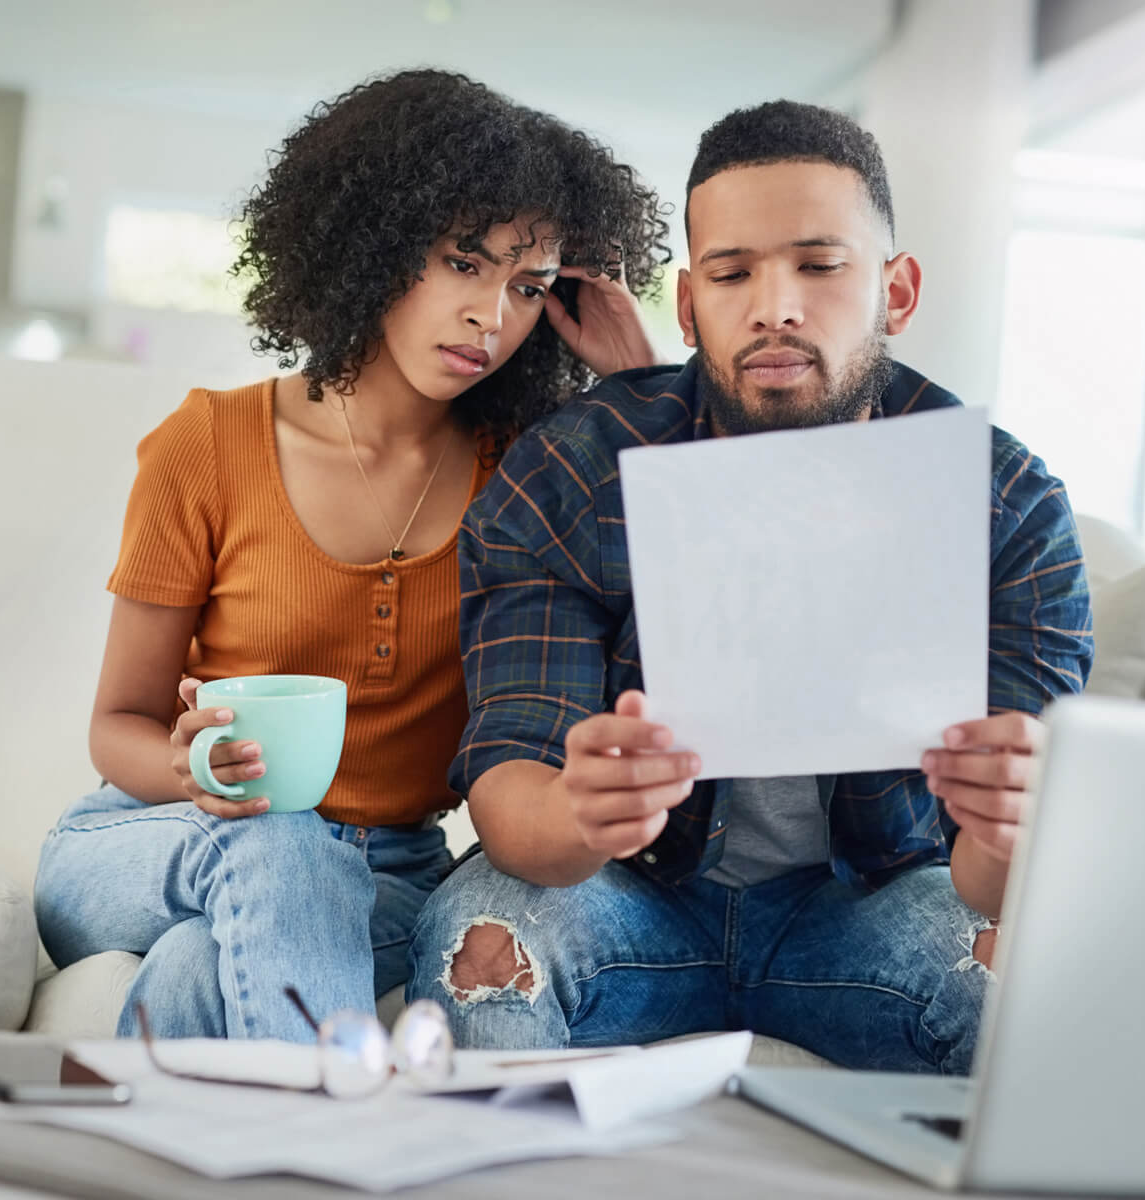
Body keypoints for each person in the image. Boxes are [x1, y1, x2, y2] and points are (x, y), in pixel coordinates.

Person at [404, 100, 1093, 1074]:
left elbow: (998, 885)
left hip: (873, 905)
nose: (776, 306)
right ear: (689, 307)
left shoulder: (1007, 503)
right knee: (479, 932)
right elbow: (514, 791)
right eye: (733, 274)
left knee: (1025, 976)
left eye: (820, 266)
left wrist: (1009, 820)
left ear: (896, 292)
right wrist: (582, 813)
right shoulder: (573, 471)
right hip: (629, 897)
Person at [33, 69, 670, 1042]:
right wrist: (191, 766)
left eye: (529, 285)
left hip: (386, 873)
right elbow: (118, 724)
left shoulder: (528, 477)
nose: (490, 315)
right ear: (375, 238)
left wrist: (637, 383)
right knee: (279, 839)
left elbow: (693, 594)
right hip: (150, 837)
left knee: (195, 968)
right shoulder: (207, 445)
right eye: (464, 261)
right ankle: (349, 1150)